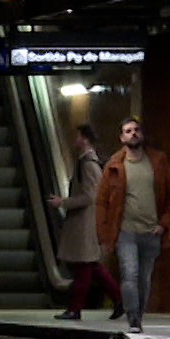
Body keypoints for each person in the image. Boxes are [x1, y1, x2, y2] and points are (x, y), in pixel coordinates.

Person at [94, 116, 170, 334]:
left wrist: (164, 223)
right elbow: (102, 202)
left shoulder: (158, 161)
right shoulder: (114, 166)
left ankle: (138, 314)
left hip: (152, 231)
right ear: (122, 137)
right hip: (125, 231)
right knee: (129, 273)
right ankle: (132, 317)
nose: (133, 133)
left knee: (144, 277)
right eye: (128, 131)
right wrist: (104, 236)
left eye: (136, 129)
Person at [47, 125, 122, 321]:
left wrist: (63, 202)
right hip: (84, 223)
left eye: (77, 135)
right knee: (90, 266)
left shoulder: (88, 164)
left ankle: (75, 308)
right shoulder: (85, 161)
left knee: (84, 267)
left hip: (85, 223)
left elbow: (91, 196)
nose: (75, 138)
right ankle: (119, 299)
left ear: (85, 139)